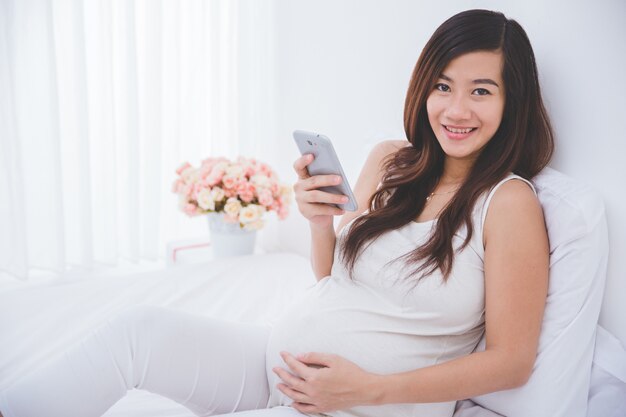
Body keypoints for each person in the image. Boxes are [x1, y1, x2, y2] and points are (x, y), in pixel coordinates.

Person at [0, 8, 553, 417]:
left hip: (360, 405)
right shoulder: (391, 160)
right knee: (135, 332)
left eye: (481, 91)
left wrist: (365, 389)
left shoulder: (507, 203)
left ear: (512, 102)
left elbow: (512, 361)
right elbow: (332, 279)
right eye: (442, 86)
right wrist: (319, 225)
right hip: (282, 366)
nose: (456, 109)